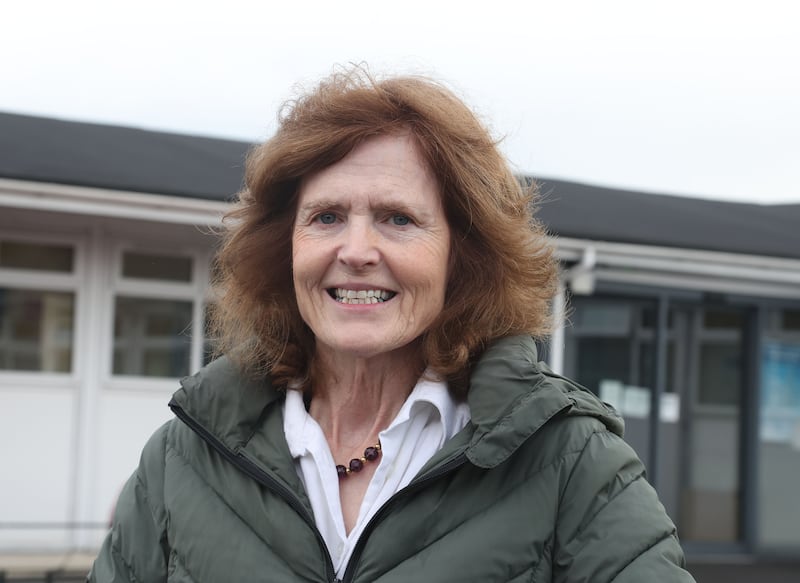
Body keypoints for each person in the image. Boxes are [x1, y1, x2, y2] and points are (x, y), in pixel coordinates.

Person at [88, 67, 695, 582]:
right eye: (326, 216)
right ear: (284, 248)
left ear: (465, 254)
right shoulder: (186, 456)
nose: (356, 250)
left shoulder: (568, 459)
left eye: (397, 218)